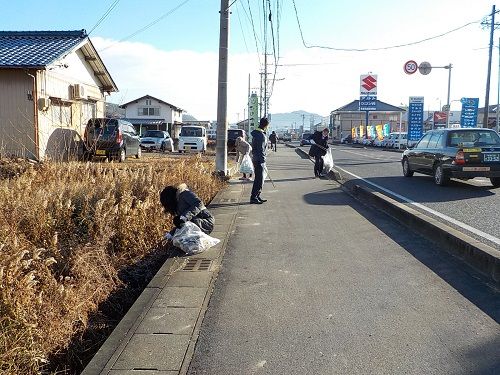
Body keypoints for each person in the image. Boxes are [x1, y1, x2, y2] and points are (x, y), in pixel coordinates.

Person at [250, 117, 269, 204]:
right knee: (259, 179)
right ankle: (254, 197)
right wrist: (262, 161)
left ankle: (257, 195)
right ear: (266, 125)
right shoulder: (261, 135)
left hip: (256, 158)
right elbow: (260, 149)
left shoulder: (257, 133)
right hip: (259, 160)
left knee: (259, 178)